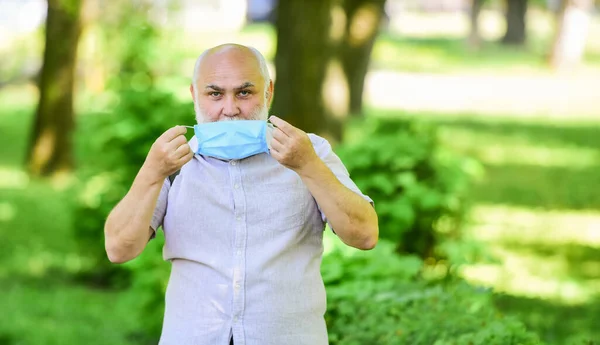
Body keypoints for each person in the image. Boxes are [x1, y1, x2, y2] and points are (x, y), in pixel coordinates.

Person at [104, 43, 378, 345]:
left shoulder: (308, 152)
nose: (230, 109)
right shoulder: (173, 163)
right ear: (195, 95)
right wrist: (151, 173)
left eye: (244, 93)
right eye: (215, 94)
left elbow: (364, 235)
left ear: (268, 93)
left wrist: (308, 165)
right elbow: (119, 249)